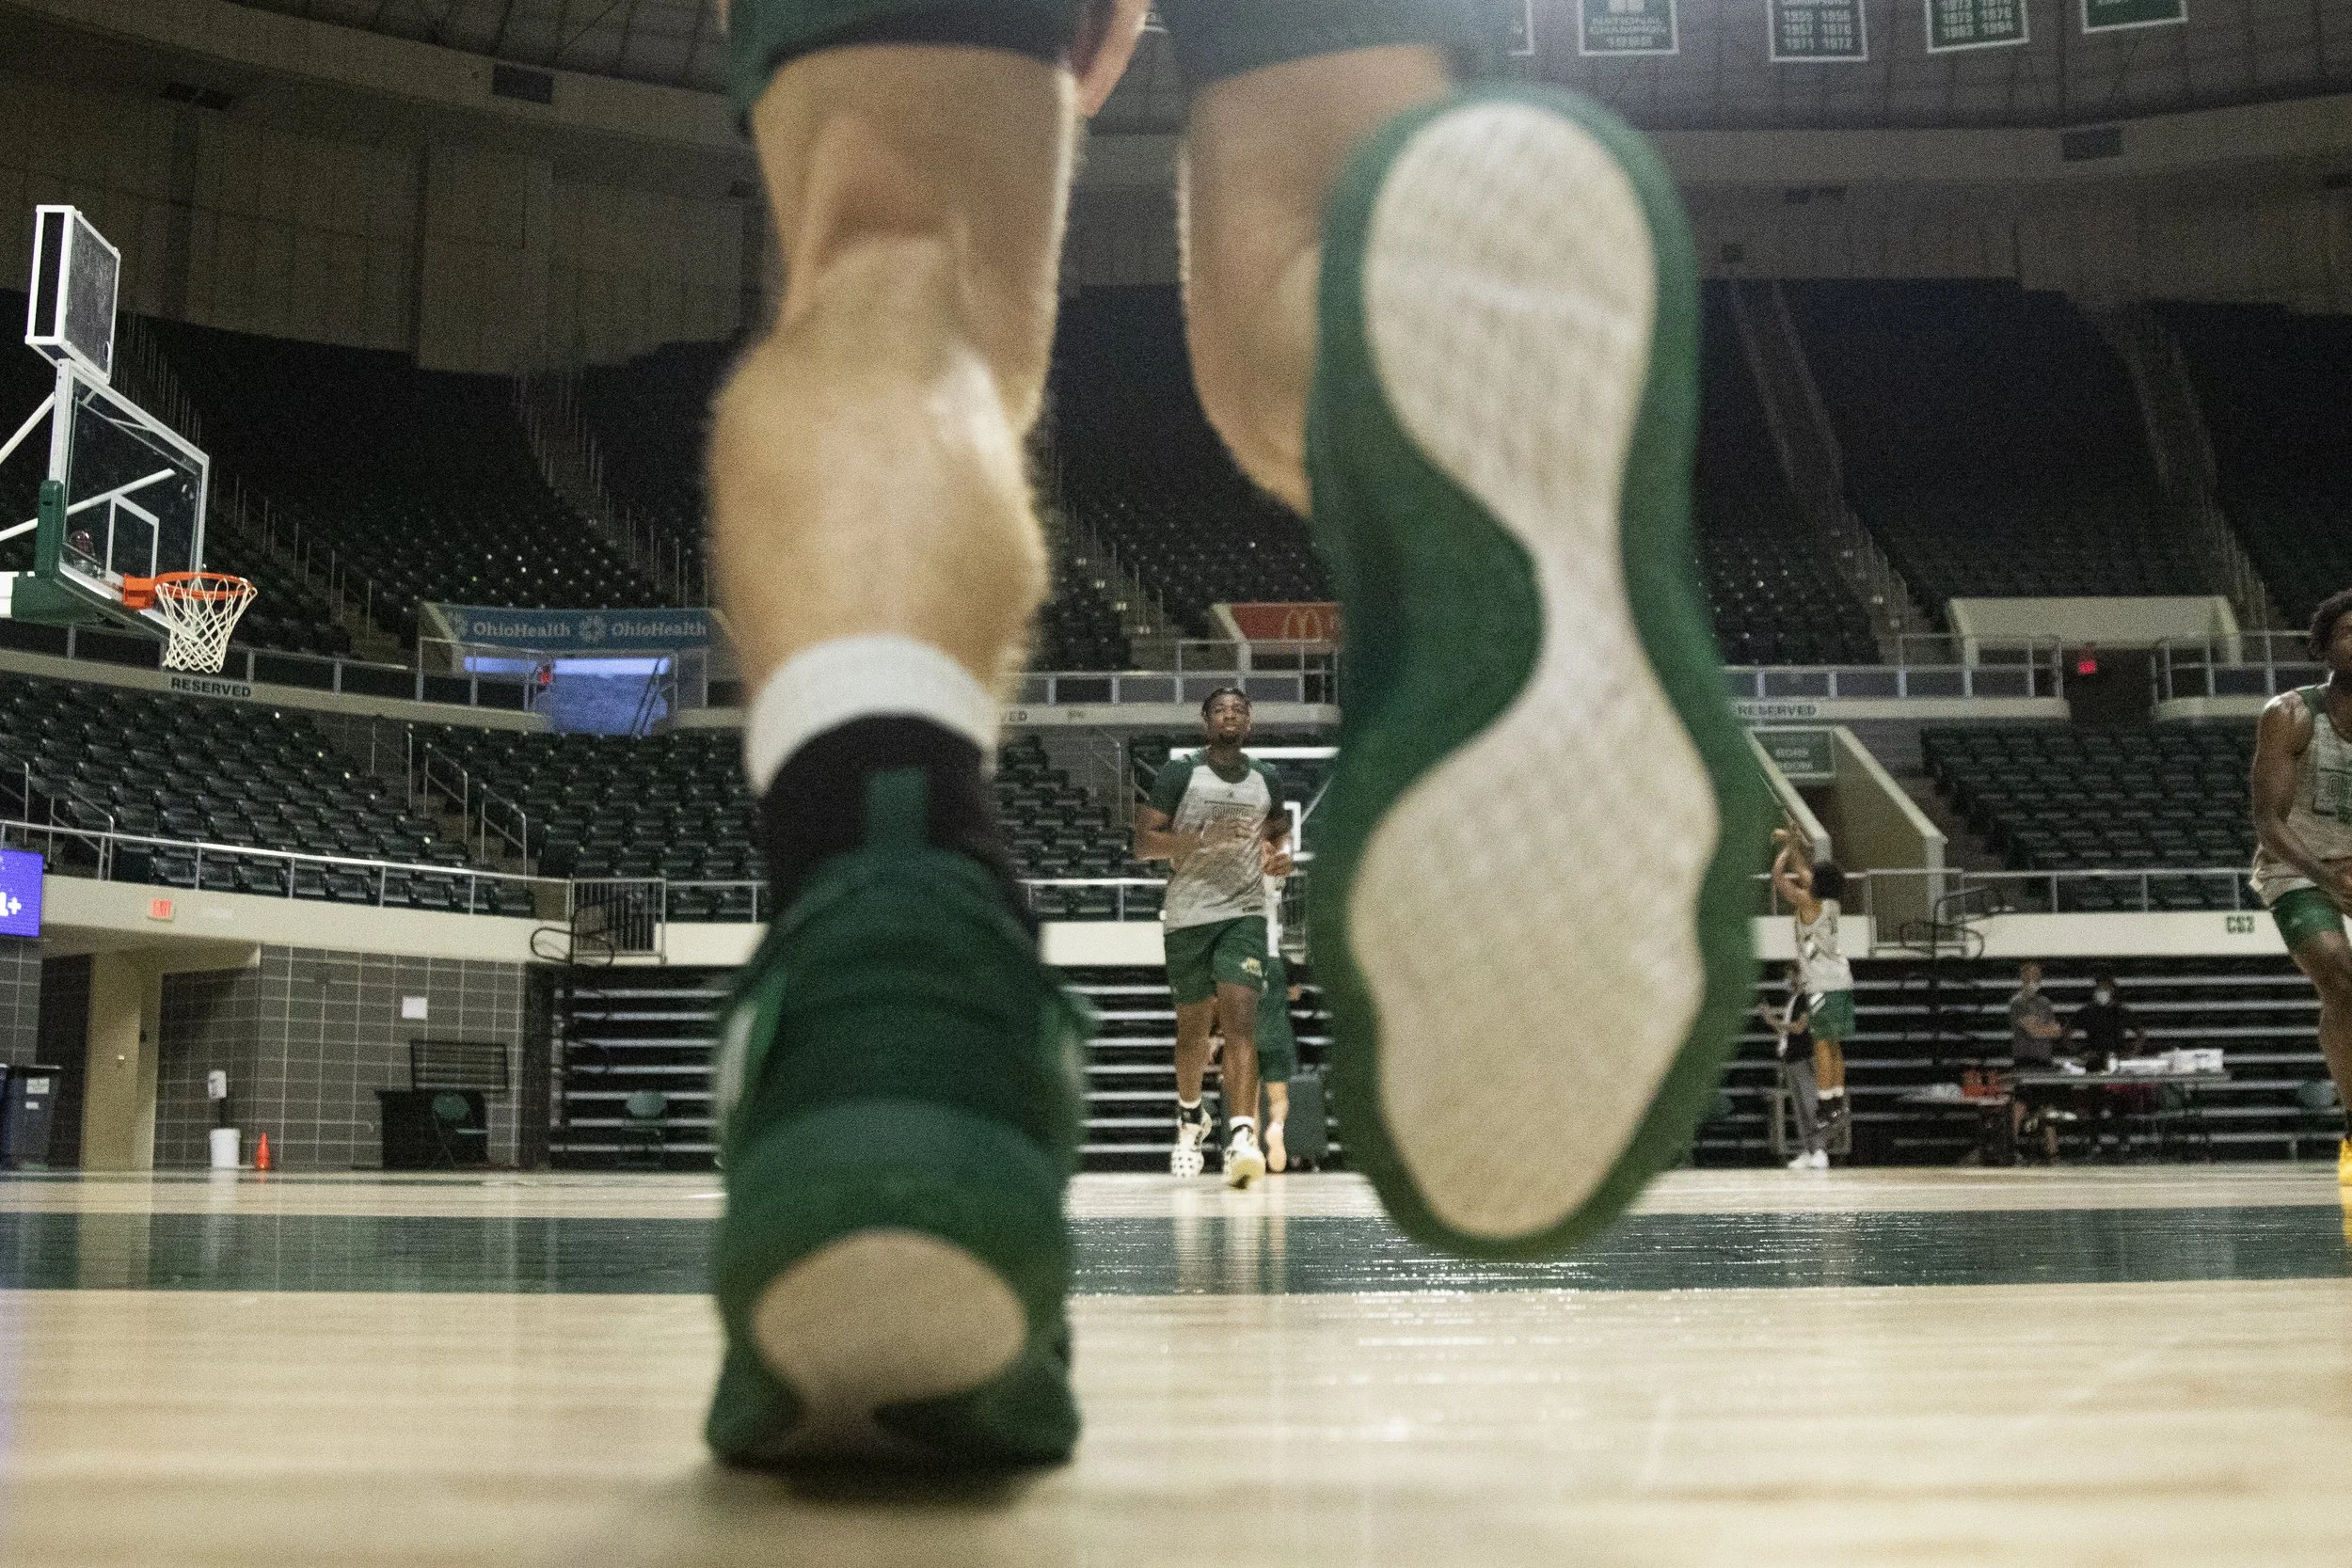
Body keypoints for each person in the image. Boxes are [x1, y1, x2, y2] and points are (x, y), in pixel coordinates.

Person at [698, 0, 1766, 1470]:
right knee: (1339, 225)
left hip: (1201, 909)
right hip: (1217, 902)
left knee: (896, 257)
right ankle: (1445, 360)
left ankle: (892, 998)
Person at [1133, 689, 1290, 1187]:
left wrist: (1278, 855)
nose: (1230, 716)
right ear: (1205, 721)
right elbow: (1143, 844)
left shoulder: (1267, 777)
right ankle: (1190, 1119)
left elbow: (1277, 831)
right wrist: (1201, 838)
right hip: (1188, 913)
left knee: (1241, 1023)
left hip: (1244, 911)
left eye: (1239, 710)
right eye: (1220, 710)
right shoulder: (1180, 773)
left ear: (1250, 722)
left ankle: (1241, 1134)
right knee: (1193, 1033)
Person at [2250, 584, 2352, 1189]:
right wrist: (2328, 876)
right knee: (2341, 977)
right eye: (2348, 631)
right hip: (2298, 865)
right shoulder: (2290, 714)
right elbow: (2268, 821)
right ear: (2323, 646)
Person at [1772, 831, 1854, 1135]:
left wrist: (1783, 853)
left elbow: (1779, 877)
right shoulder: (1831, 901)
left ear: (1816, 883)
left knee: (1821, 1045)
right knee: (1834, 1045)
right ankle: (1837, 1101)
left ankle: (1824, 1105)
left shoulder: (1808, 902)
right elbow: (1804, 871)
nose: (1807, 876)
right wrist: (1793, 843)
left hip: (1821, 983)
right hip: (1841, 980)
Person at [1759, 963, 1825, 1169]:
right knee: (1799, 1109)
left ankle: (1820, 1151)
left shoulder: (1808, 997)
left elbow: (1798, 1028)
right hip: (1793, 1059)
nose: (1787, 980)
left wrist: (1773, 1021)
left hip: (1806, 1058)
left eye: (1790, 975)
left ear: (1800, 975)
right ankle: (1808, 1149)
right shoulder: (1794, 1000)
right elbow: (1787, 1032)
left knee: (1811, 1106)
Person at [2007, 961, 2065, 1162]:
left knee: (2048, 1107)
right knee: (2020, 1105)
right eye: (2031, 976)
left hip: (2044, 1061)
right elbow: (2033, 1031)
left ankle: (2053, 1151)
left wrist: (2043, 1029)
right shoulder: (2018, 1003)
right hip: (2025, 1061)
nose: (2035, 980)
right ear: (2022, 978)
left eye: (2038, 976)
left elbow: (2057, 1031)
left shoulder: (2044, 1003)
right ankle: (2008, 1148)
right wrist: (2045, 1029)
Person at [2062, 973, 2149, 1069]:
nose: (2102, 991)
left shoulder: (2122, 1012)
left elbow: (2141, 1034)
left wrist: (2132, 1053)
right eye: (2099, 989)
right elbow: (2066, 1032)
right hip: (2094, 1058)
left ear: (2112, 990)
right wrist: (2078, 1052)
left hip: (2117, 1058)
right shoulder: (2087, 1012)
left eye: (2105, 989)